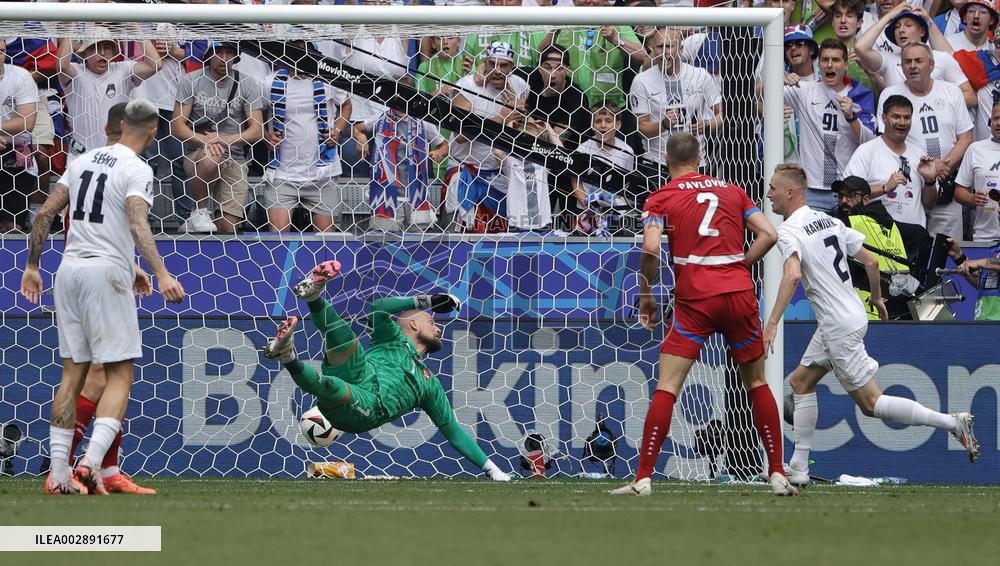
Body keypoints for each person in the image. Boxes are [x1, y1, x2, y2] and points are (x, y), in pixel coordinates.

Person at [762, 163, 979, 486]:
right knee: (800, 383)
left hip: (837, 325)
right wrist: (877, 298)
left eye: (773, 189)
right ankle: (799, 467)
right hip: (850, 315)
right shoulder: (829, 220)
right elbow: (872, 261)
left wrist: (773, 322)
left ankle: (952, 423)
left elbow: (792, 275)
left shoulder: (790, 230)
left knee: (871, 404)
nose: (769, 195)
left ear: (790, 192)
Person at [610, 133, 795, 497]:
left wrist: (646, 294)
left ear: (666, 159)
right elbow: (770, 234)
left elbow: (650, 248)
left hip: (695, 298)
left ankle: (644, 478)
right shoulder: (732, 190)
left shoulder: (661, 197)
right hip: (739, 294)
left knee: (668, 385)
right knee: (757, 382)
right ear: (700, 157)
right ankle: (776, 473)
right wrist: (741, 263)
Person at [20, 99, 185, 495]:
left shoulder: (83, 160)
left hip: (68, 272)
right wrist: (161, 272)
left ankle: (59, 476)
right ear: (152, 132)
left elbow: (45, 214)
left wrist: (32, 265)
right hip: (105, 276)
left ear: (121, 124)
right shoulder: (137, 168)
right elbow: (136, 221)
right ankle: (91, 463)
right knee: (120, 375)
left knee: (71, 375)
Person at [263, 259, 512, 482]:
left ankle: (288, 356)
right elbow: (379, 307)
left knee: (330, 385)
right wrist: (427, 301)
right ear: (413, 323)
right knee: (345, 338)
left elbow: (454, 431)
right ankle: (311, 301)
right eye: (432, 321)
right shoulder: (390, 336)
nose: (438, 328)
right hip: (360, 373)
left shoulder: (430, 383)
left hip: (367, 407)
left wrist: (493, 470)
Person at [61, 103, 160, 495]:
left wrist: (130, 265)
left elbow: (100, 226)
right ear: (120, 127)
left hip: (95, 271)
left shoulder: (91, 166)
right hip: (95, 277)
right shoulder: (109, 166)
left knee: (108, 377)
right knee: (104, 375)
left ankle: (107, 468)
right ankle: (69, 469)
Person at [877, 43, 973, 240]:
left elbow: (966, 136)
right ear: (901, 67)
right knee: (911, 250)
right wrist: (927, 166)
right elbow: (885, 141)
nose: (912, 66)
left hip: (946, 183)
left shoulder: (952, 91)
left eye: (918, 61)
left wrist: (942, 166)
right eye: (907, 62)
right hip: (908, 186)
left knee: (947, 252)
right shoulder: (890, 94)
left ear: (931, 65)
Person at [172, 42, 265, 233]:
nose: (223, 57)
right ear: (209, 55)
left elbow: (257, 130)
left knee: (227, 228)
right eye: (218, 52)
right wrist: (207, 140)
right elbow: (177, 127)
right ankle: (199, 212)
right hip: (197, 153)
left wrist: (224, 140)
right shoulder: (191, 80)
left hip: (235, 157)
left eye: (229, 52)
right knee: (211, 155)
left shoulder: (247, 83)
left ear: (236, 56)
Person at [263, 42, 352, 232]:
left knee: (326, 246)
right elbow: (255, 116)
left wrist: (338, 130)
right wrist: (266, 136)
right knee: (278, 243)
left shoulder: (328, 81)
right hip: (282, 174)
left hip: (322, 172)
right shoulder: (270, 83)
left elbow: (346, 105)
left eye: (305, 52)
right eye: (295, 53)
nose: (300, 58)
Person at [445, 41, 529, 233]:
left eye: (504, 65)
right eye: (492, 64)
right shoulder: (466, 86)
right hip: (466, 171)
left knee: (501, 241)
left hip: (499, 174)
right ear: (485, 63)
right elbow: (459, 135)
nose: (497, 70)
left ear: (512, 67)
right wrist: (501, 117)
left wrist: (519, 116)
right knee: (463, 240)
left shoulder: (520, 86)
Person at [784, 38, 876, 211]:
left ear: (846, 65)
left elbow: (869, 142)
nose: (829, 65)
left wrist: (851, 117)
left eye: (835, 60)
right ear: (818, 64)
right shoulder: (804, 90)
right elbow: (761, 93)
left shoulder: (860, 95)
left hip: (847, 191)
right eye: (825, 60)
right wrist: (782, 78)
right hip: (811, 191)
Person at [57, 27, 164, 162]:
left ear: (113, 52)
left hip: (115, 159)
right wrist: (72, 20)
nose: (102, 53)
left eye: (107, 47)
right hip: (80, 158)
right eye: (95, 47)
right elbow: (61, 66)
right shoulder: (76, 72)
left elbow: (156, 65)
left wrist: (135, 27)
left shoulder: (123, 69)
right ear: (84, 54)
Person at [629, 27, 722, 178]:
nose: (665, 52)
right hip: (658, 163)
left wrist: (706, 125)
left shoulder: (700, 76)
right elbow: (641, 127)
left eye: (669, 46)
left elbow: (722, 114)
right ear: (652, 50)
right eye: (660, 47)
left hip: (695, 163)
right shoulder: (641, 81)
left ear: (680, 48)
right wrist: (663, 124)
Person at [843, 94, 939, 228]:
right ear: (883, 118)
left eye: (907, 117)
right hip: (878, 238)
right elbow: (847, 194)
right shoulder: (866, 151)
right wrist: (885, 187)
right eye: (896, 116)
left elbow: (929, 204)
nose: (902, 122)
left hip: (914, 238)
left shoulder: (920, 154)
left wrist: (930, 181)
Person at [352, 101, 449, 232]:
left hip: (416, 194)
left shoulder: (423, 122)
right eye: (397, 99)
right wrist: (360, 136)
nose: (401, 104)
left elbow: (444, 145)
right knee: (387, 243)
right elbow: (355, 128)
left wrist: (438, 152)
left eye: (405, 99)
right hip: (387, 195)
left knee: (418, 243)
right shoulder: (381, 119)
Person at [854, 5, 977, 104]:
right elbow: (860, 48)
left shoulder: (941, 58)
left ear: (922, 31)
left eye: (908, 25)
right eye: (897, 26)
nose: (901, 30)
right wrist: (889, 15)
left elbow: (970, 97)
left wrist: (936, 104)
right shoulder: (889, 60)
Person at [571, 102, 635, 236]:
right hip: (585, 212)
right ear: (592, 125)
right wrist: (589, 207)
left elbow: (626, 183)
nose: (603, 126)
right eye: (598, 121)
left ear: (618, 125)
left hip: (613, 211)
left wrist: (614, 207)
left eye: (608, 121)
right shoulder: (582, 150)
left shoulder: (626, 152)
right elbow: (576, 182)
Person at [0, 39, 38, 232]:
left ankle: (13, 224)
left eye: (1, 50)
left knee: (12, 225)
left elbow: (27, 123)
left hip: (17, 147)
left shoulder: (20, 76)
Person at [954, 102, 1000, 241]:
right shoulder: (975, 149)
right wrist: (972, 199)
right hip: (985, 237)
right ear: (990, 122)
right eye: (996, 118)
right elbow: (959, 192)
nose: (999, 123)